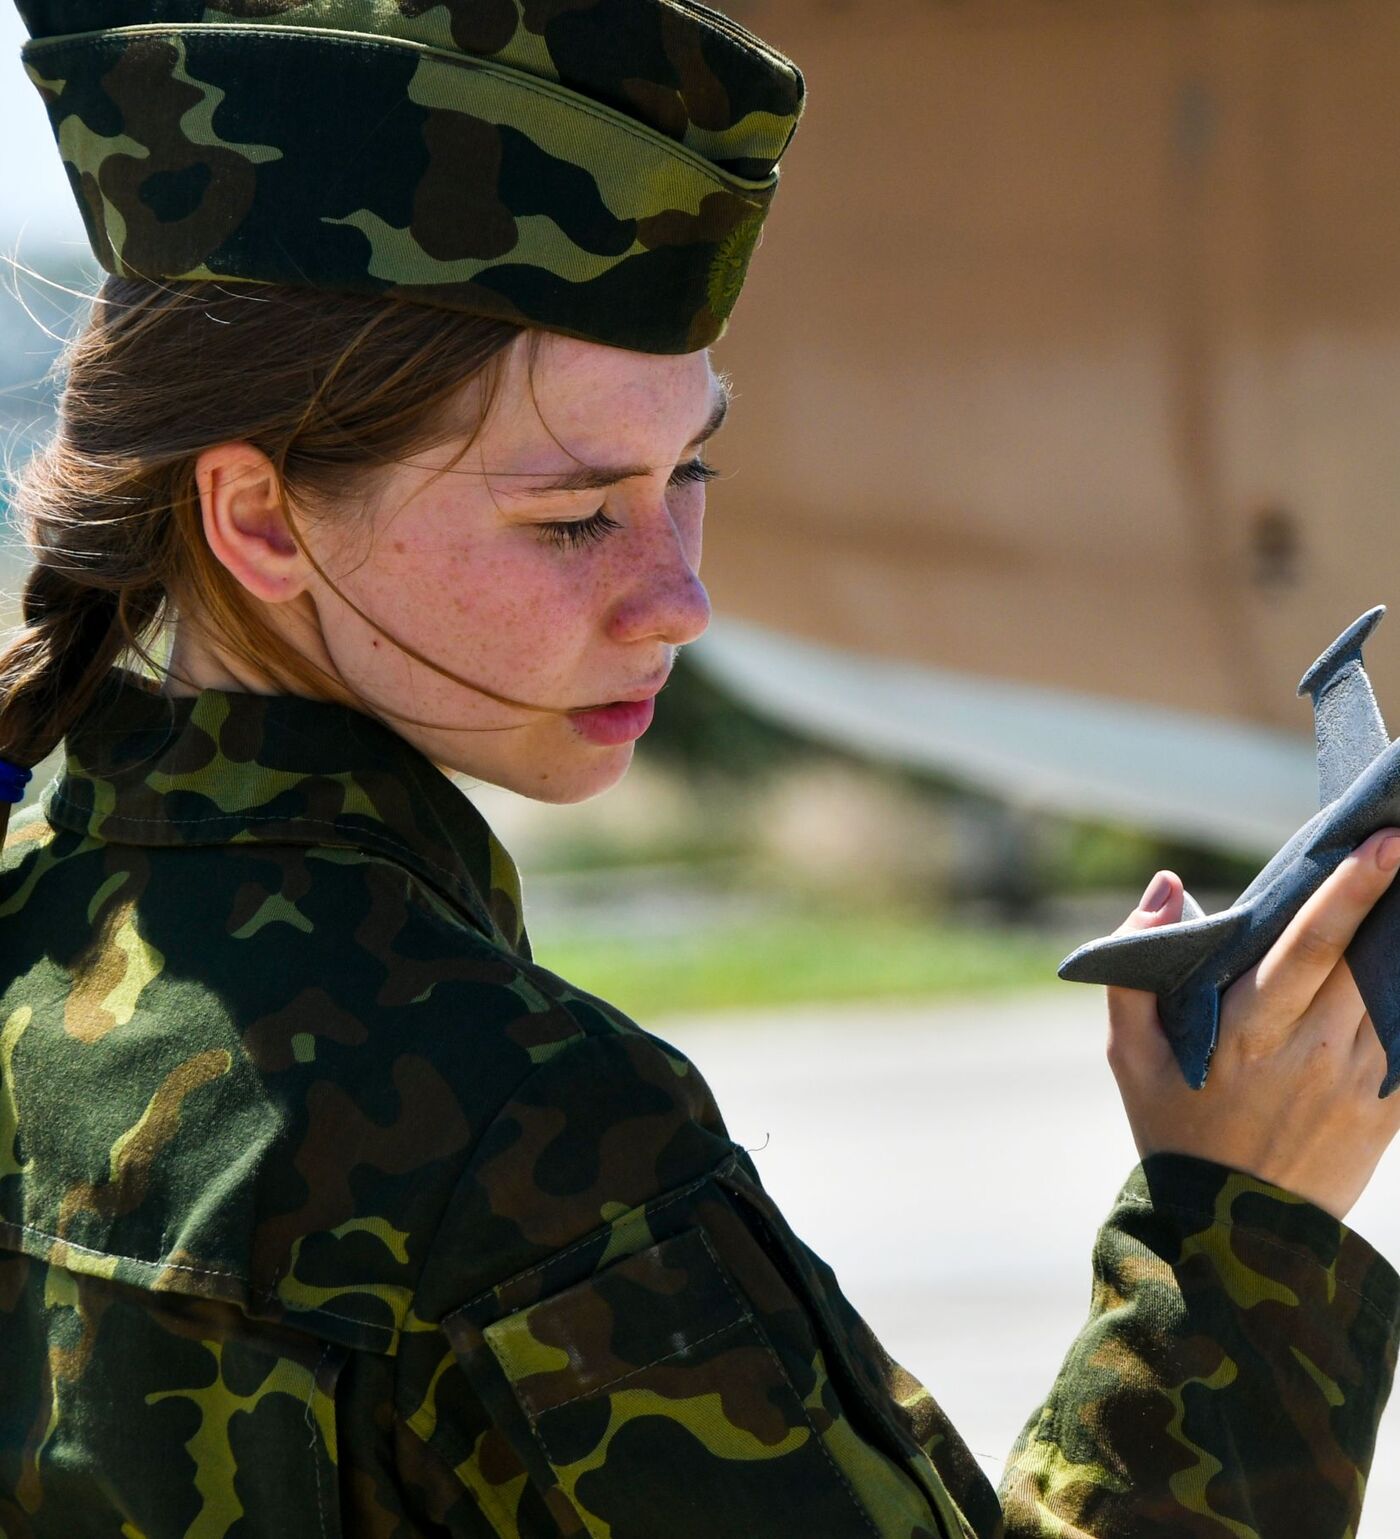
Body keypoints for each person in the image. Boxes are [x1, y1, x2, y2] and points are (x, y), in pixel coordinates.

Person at [3, 3, 1400, 1536]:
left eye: (692, 477)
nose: (681, 597)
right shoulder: (519, 1141)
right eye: (575, 518)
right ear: (258, 521)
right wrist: (1235, 1242)